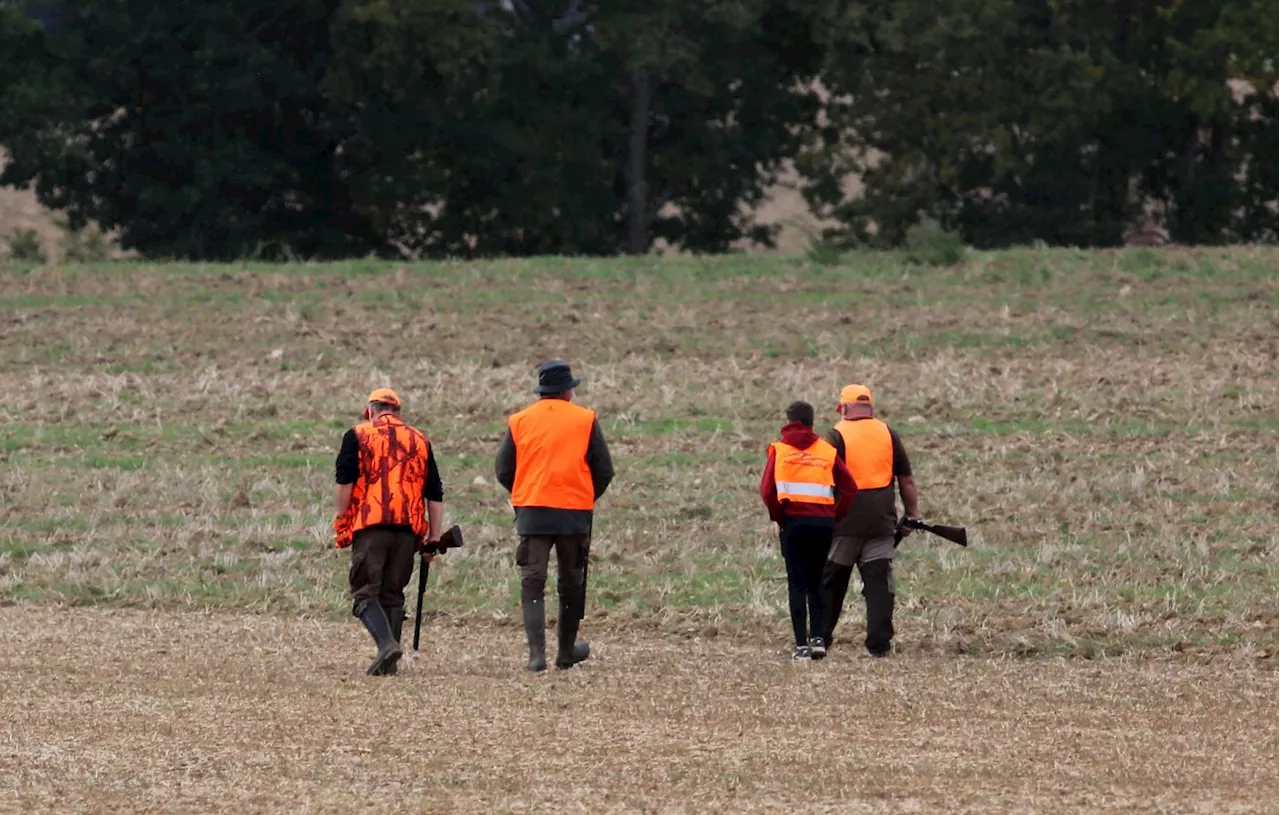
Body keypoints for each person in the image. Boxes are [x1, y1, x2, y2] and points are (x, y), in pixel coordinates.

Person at [495, 360, 614, 672]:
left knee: (532, 581)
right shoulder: (585, 419)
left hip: (533, 512)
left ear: (542, 391)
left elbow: (503, 469)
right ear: (567, 391)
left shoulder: (519, 420)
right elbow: (604, 470)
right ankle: (565, 652)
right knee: (571, 581)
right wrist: (585, 496)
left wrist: (524, 494)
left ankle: (536, 656)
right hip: (574, 513)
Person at [333, 387, 445, 676]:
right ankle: (389, 666)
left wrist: (343, 516)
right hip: (408, 530)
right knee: (393, 594)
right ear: (398, 412)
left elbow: (344, 483)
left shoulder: (358, 434)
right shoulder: (420, 439)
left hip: (371, 526)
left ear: (370, 410)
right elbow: (435, 493)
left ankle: (386, 646)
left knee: (364, 593)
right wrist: (434, 537)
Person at [819, 384, 919, 658]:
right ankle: (879, 644)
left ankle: (820, 638)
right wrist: (912, 515)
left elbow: (823, 478)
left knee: (832, 582)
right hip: (881, 523)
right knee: (879, 585)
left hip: (844, 525)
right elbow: (906, 480)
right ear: (870, 408)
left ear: (846, 408)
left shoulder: (835, 435)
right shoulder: (888, 432)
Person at [761, 401, 857, 660]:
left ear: (788, 420)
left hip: (793, 522)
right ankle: (818, 639)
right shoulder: (826, 450)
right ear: (812, 422)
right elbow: (849, 487)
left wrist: (779, 517)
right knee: (817, 582)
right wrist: (834, 515)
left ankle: (801, 645)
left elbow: (767, 491)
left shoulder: (779, 451)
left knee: (796, 583)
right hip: (823, 523)